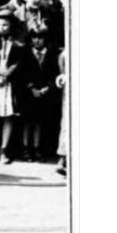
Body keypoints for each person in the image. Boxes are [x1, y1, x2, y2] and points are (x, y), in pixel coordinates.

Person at [0, 12, 26, 163]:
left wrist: (7, 75)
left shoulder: (17, 41)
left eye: (5, 25)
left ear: (11, 26)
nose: (1, 28)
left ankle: (4, 149)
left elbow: (19, 61)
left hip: (9, 83)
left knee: (8, 115)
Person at [20, 25, 60, 161]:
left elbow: (54, 73)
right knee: (27, 121)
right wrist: (31, 88)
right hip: (29, 93)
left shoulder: (51, 53)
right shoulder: (26, 53)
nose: (37, 41)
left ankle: (37, 148)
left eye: (40, 38)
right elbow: (22, 73)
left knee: (39, 121)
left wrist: (47, 88)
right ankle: (26, 148)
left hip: (45, 93)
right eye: (34, 37)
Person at [55, 48, 68, 176]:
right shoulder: (65, 54)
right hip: (70, 93)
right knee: (66, 125)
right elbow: (62, 72)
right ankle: (62, 159)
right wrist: (62, 77)